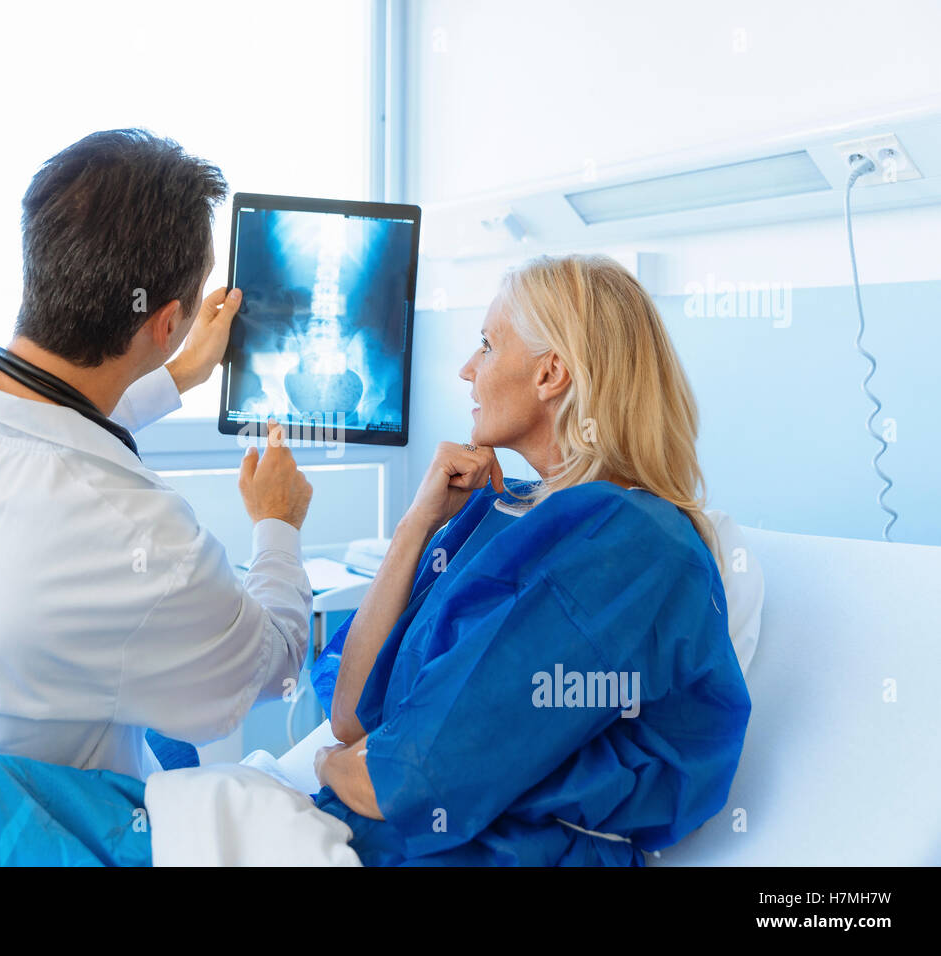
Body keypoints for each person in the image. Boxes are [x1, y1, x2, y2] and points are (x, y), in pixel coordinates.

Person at [0, 130, 314, 840]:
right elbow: (259, 673)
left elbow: (32, 435)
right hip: (1, 850)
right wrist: (278, 528)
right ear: (167, 321)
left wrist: (173, 376)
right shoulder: (139, 533)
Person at [310, 254, 752, 866]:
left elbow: (406, 779)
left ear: (551, 374)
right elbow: (352, 715)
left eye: (486, 346)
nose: (467, 369)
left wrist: (326, 769)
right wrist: (415, 529)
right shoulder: (502, 510)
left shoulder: (631, 545)